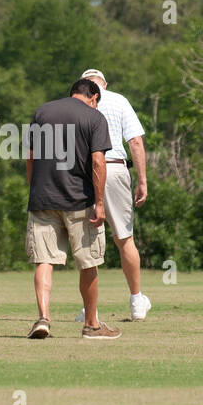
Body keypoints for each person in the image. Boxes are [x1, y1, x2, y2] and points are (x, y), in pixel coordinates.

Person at [24, 78, 120, 340]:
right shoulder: (95, 117)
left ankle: (43, 317)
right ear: (93, 98)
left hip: (43, 199)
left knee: (45, 260)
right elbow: (98, 162)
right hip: (80, 201)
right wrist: (99, 203)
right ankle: (91, 324)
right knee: (88, 262)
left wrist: (35, 189)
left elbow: (31, 156)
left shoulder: (43, 112)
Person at [78, 68, 150, 321]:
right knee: (124, 238)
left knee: (88, 240)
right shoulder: (120, 100)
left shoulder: (78, 104)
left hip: (86, 172)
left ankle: (90, 309)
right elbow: (136, 142)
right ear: (104, 84)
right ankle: (136, 300)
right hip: (116, 168)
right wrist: (142, 180)